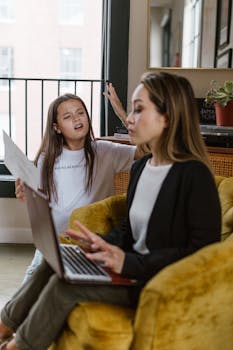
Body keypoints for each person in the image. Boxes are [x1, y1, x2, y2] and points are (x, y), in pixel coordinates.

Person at [0, 72, 221, 350]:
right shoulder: (143, 167)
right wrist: (101, 245)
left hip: (155, 281)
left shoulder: (194, 175)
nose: (129, 118)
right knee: (54, 261)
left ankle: (17, 347)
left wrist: (127, 263)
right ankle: (3, 327)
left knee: (63, 285)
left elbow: (203, 254)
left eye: (138, 109)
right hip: (130, 267)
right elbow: (130, 229)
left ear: (168, 117)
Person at [15, 91, 136, 283]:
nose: (77, 119)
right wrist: (26, 197)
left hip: (90, 245)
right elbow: (39, 202)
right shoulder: (46, 159)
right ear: (57, 128)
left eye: (80, 113)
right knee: (26, 292)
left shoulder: (106, 151)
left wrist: (123, 115)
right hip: (53, 245)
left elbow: (149, 150)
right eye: (67, 116)